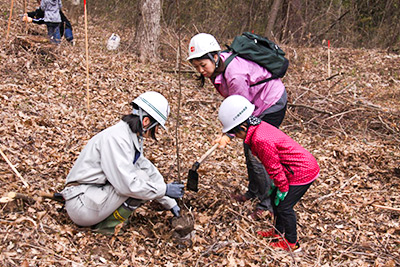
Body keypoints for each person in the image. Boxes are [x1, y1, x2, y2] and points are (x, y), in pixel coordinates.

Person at [187, 33, 288, 219]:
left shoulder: (235, 75)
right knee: (248, 145)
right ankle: (254, 191)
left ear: (215, 57)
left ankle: (267, 204)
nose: (201, 70)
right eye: (197, 67)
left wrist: (228, 134)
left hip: (271, 103)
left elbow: (241, 114)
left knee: (257, 151)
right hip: (255, 105)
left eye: (203, 65)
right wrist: (227, 131)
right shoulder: (218, 69)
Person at [60, 91, 185, 234]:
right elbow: (127, 185)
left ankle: (108, 221)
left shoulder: (129, 137)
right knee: (140, 180)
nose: (156, 131)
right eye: (157, 126)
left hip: (91, 196)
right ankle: (106, 227)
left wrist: (171, 202)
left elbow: (147, 168)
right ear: (146, 121)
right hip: (82, 204)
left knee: (143, 176)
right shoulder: (117, 139)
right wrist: (165, 190)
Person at [218, 95, 320, 252]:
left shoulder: (260, 139)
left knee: (285, 206)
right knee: (274, 200)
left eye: (237, 134)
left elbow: (273, 167)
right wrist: (277, 185)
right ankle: (278, 233)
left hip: (302, 170)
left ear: (243, 128)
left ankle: (292, 243)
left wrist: (283, 188)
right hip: (291, 169)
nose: (237, 138)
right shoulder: (257, 127)